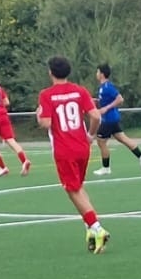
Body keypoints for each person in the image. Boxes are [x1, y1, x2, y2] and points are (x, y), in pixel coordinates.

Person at [37, 55, 110, 253]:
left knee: (72, 189)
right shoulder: (80, 91)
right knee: (78, 187)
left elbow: (46, 123)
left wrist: (38, 116)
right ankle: (90, 229)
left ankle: (97, 227)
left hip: (64, 149)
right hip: (82, 146)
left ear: (50, 72)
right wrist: (91, 135)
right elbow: (95, 116)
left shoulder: (46, 94)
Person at [93, 64, 141, 175]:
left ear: (102, 74)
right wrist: (95, 101)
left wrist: (106, 108)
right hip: (112, 118)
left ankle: (106, 168)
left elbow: (120, 99)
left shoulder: (108, 87)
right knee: (122, 138)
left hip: (109, 120)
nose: (96, 74)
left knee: (100, 141)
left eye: (97, 72)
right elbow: (106, 100)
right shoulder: (103, 87)